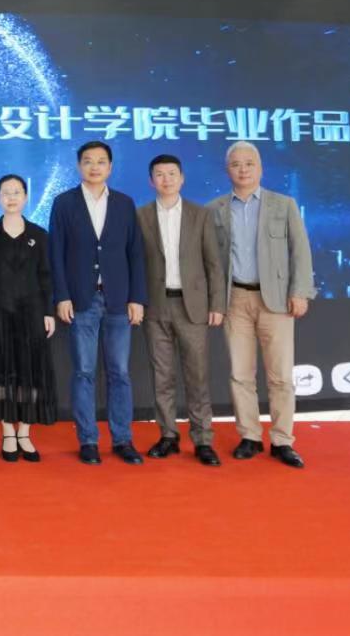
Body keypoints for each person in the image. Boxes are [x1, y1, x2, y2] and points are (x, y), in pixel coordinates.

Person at [206, 141, 315, 469]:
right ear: (227, 170)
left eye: (249, 163)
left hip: (276, 300)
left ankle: (282, 440)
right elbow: (211, 261)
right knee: (240, 373)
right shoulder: (215, 209)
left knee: (280, 375)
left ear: (260, 168)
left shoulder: (284, 204)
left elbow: (300, 250)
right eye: (236, 164)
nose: (243, 169)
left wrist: (300, 292)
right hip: (235, 299)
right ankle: (250, 436)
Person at [49, 140, 148, 466]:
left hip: (118, 298)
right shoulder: (64, 203)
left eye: (101, 161)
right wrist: (62, 295)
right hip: (81, 299)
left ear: (110, 167)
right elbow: (56, 253)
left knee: (120, 372)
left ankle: (122, 440)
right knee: (84, 372)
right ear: (79, 166)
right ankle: (88, 440)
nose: (94, 167)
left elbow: (135, 253)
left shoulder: (124, 203)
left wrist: (137, 297)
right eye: (88, 161)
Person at [136, 155, 227, 467]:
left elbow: (213, 263)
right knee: (162, 376)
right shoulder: (140, 216)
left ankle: (203, 439)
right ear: (151, 181)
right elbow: (135, 263)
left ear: (182, 178)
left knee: (197, 375)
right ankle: (168, 435)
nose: (166, 179)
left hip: (193, 306)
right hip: (155, 305)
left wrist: (217, 304)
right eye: (159, 175)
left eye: (172, 173)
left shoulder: (200, 214)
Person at [0, 174, 58, 462]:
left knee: (29, 369)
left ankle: (25, 432)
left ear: (26, 197)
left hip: (32, 310)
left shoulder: (39, 234)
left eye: (17, 192)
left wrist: (48, 312)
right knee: (1, 368)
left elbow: (46, 277)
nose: (11, 197)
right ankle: (8, 430)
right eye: (6, 192)